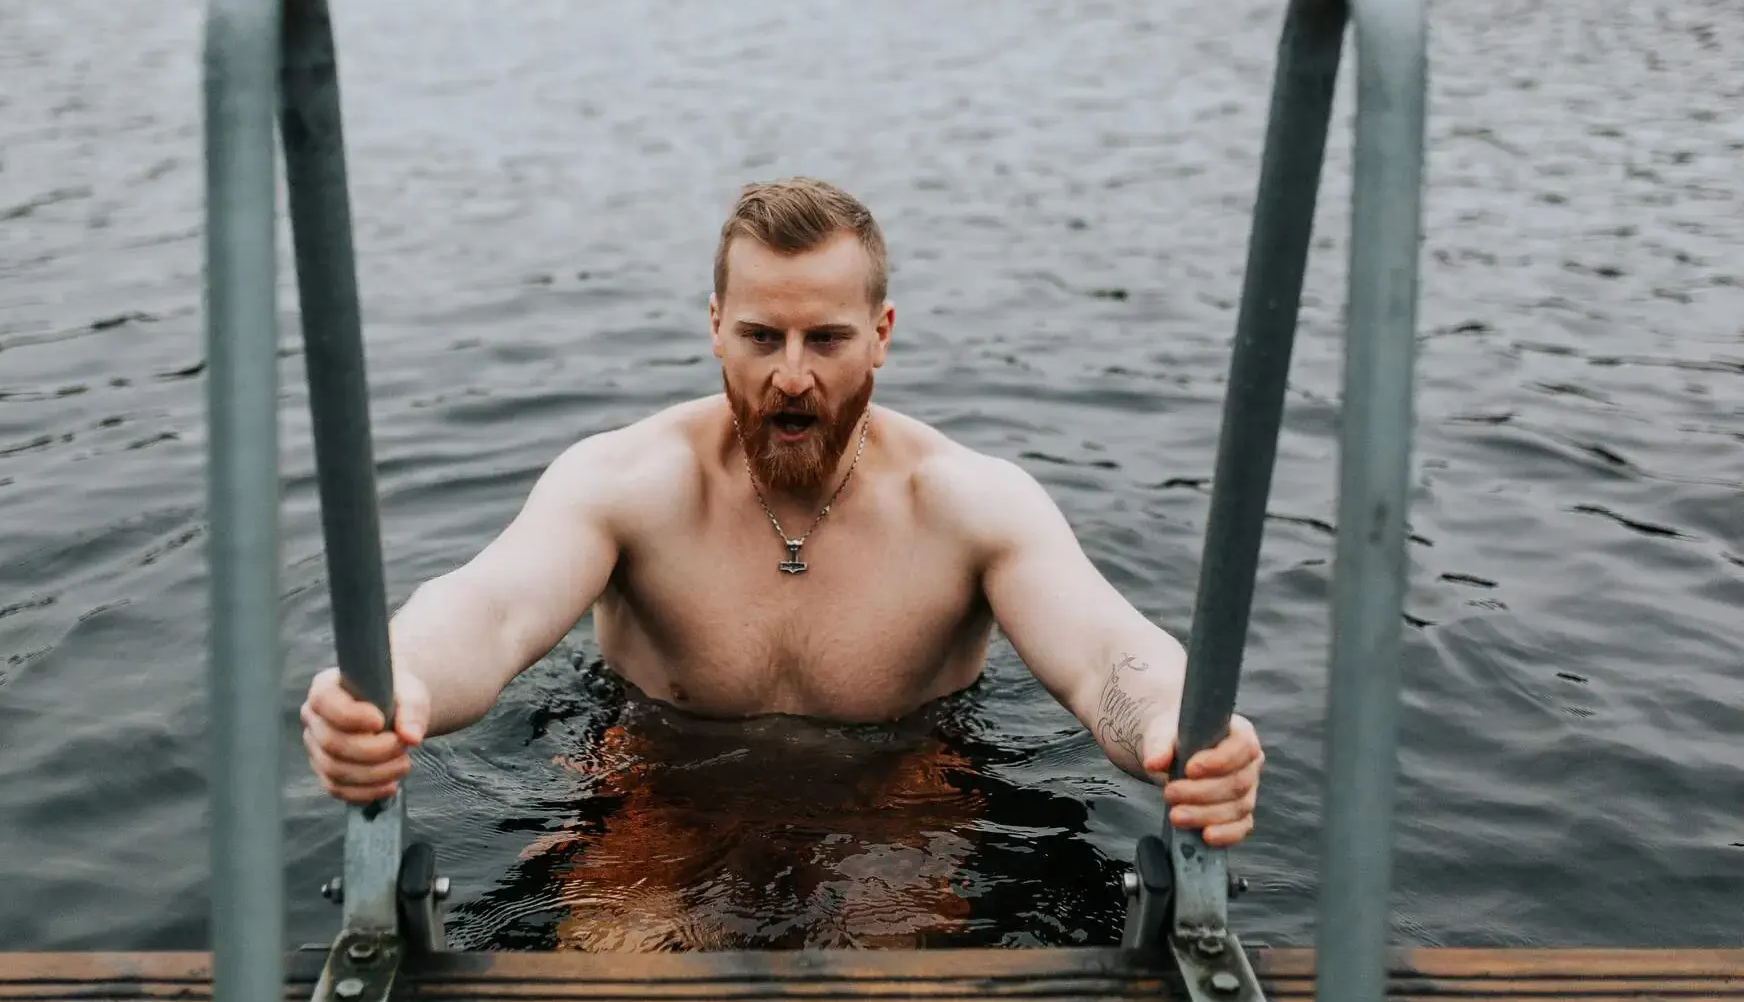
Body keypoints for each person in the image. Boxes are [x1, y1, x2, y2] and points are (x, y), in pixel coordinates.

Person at [301, 177, 1265, 862]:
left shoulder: (969, 503)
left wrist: (1188, 729)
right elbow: (491, 609)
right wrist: (391, 686)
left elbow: (1107, 655)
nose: (792, 375)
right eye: (761, 336)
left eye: (828, 339)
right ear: (715, 325)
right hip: (655, 794)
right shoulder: (628, 483)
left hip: (902, 809)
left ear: (881, 337)